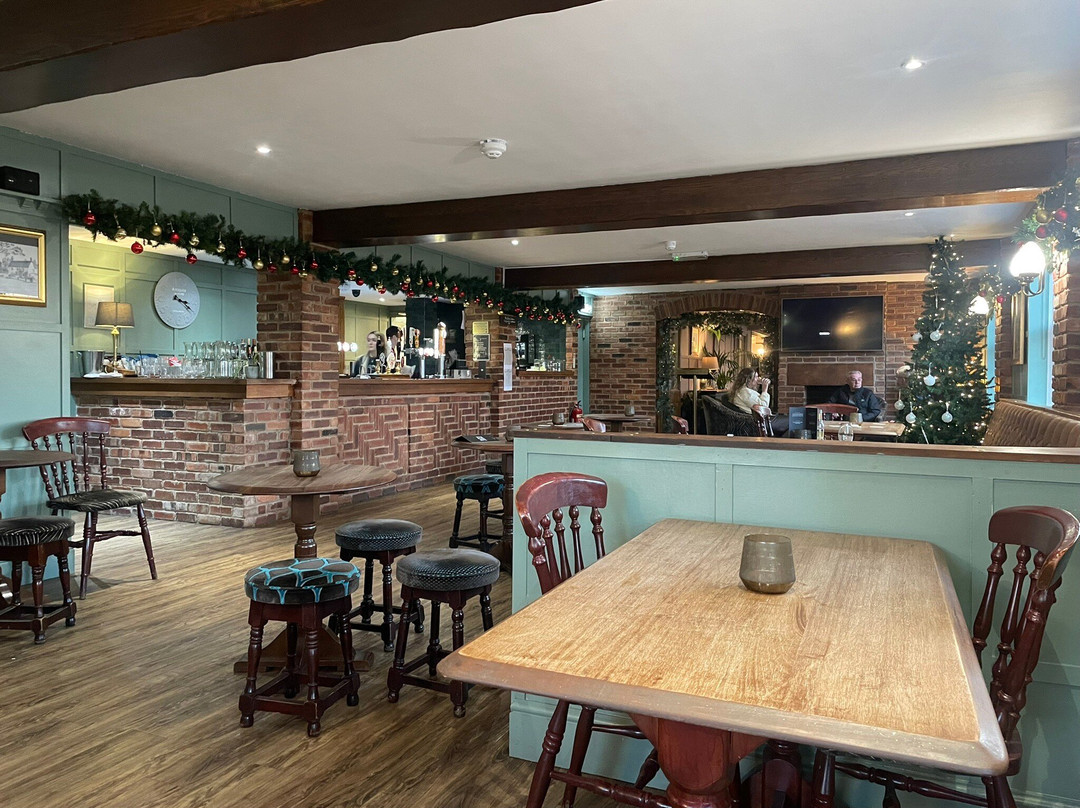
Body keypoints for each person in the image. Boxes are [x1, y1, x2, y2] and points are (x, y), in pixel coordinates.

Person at [728, 367, 788, 435]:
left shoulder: (745, 390)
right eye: (756, 377)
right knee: (792, 421)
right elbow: (763, 407)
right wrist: (764, 390)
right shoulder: (744, 392)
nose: (758, 379)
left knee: (791, 420)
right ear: (748, 379)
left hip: (761, 419)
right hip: (759, 421)